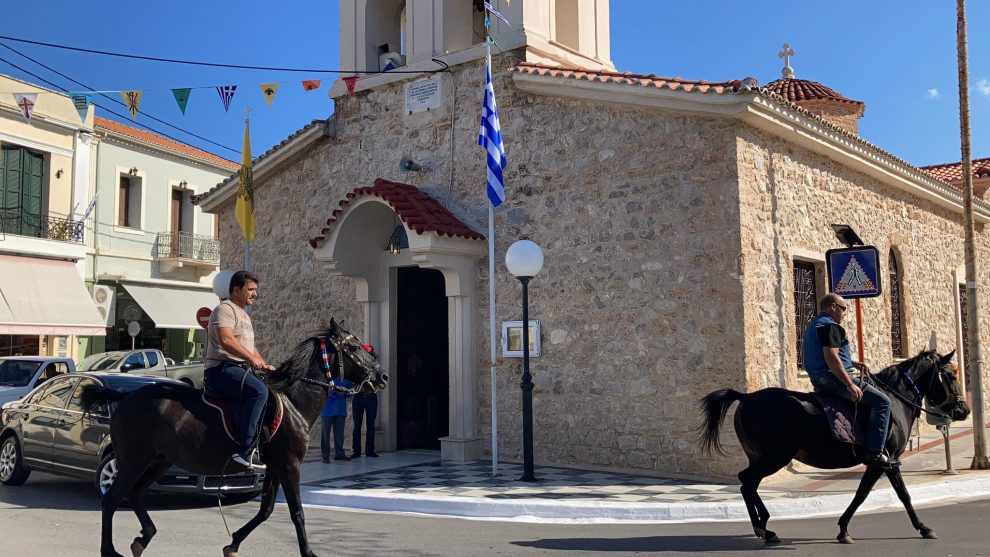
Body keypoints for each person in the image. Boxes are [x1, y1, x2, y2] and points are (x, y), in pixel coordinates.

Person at [803, 292, 892, 468]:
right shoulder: (830, 326)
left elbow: (827, 353)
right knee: (883, 402)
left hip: (818, 378)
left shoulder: (815, 324)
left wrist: (852, 362)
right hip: (832, 379)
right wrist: (850, 384)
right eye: (843, 308)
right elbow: (830, 357)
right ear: (832, 307)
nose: (845, 312)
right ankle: (874, 453)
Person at [205, 270, 276, 470]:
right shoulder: (225, 309)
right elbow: (226, 340)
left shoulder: (244, 315)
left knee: (269, 390)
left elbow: (248, 346)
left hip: (239, 368)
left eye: (255, 290)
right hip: (220, 369)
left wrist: (264, 363)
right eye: (251, 289)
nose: (255, 294)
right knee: (259, 392)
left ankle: (261, 445)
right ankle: (245, 451)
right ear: (236, 290)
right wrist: (252, 359)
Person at [320, 378, 352, 463]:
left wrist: (344, 393)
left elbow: (350, 392)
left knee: (339, 434)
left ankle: (339, 454)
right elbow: (322, 391)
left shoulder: (346, 380)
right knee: (325, 435)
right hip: (327, 410)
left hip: (340, 410)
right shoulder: (326, 379)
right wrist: (335, 392)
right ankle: (325, 456)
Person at [352, 390, 379, 458]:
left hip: (371, 395)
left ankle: (370, 451)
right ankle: (356, 451)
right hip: (358, 395)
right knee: (357, 425)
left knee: (371, 425)